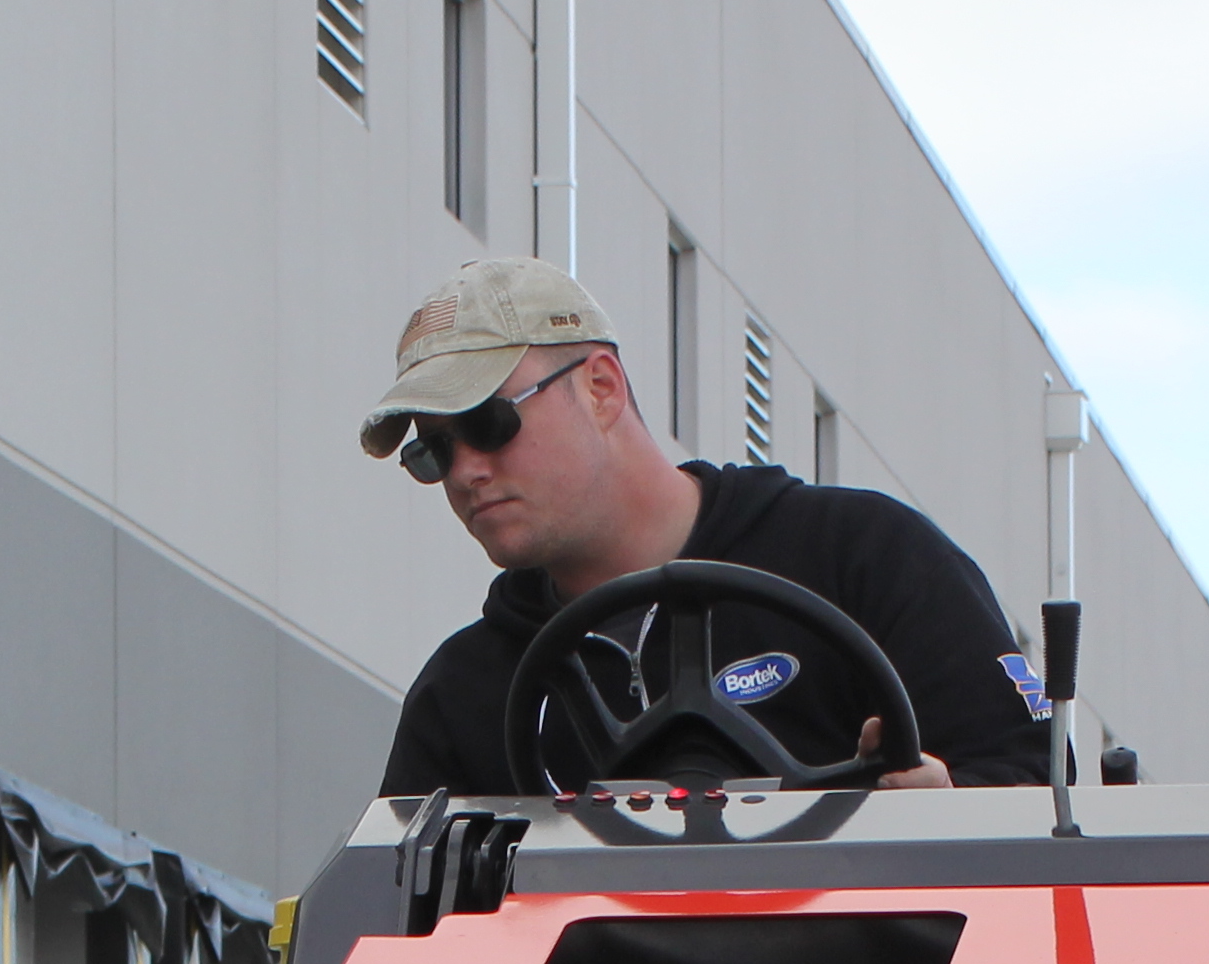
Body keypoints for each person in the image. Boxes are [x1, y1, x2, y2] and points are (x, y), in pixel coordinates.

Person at [358, 258, 1054, 797]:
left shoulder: (863, 558)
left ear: (601, 387)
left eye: (487, 423)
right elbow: (394, 924)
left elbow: (1037, 790)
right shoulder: (464, 694)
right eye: (434, 451)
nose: (463, 471)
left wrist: (951, 804)